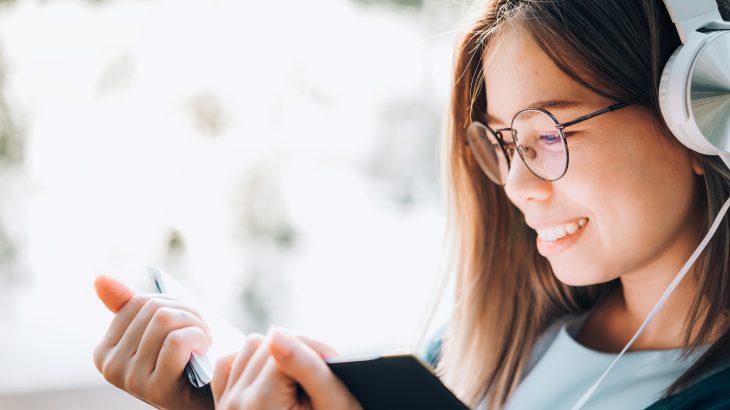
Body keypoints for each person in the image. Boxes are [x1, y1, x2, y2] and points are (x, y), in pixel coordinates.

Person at [93, 0, 730, 408]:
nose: (514, 184)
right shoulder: (474, 353)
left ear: (703, 112)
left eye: (547, 134)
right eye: (505, 142)